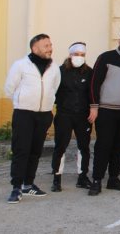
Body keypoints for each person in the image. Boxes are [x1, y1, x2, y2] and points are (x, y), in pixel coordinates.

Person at [4, 33, 61, 203]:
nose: (50, 48)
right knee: (21, 150)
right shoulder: (21, 65)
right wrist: (23, 101)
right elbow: (9, 88)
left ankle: (28, 185)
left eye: (50, 45)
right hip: (24, 113)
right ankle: (16, 187)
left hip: (44, 114)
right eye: (46, 46)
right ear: (35, 48)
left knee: (35, 151)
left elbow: (54, 88)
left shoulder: (54, 68)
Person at [88, 30, 120, 196]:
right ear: (119, 41)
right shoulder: (106, 57)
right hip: (106, 111)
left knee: (119, 146)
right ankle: (96, 180)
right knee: (103, 145)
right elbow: (94, 82)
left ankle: (113, 178)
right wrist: (94, 106)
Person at [50, 42, 93, 192]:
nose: (79, 57)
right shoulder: (59, 71)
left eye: (82, 55)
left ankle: (82, 177)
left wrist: (94, 109)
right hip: (64, 114)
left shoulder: (89, 72)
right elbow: (52, 92)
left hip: (83, 115)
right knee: (60, 146)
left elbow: (93, 93)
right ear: (70, 54)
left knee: (84, 147)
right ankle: (56, 178)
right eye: (76, 54)